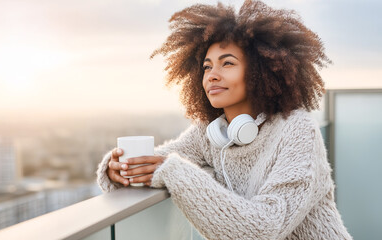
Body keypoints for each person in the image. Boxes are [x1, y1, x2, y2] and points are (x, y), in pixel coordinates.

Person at [97, 1, 352, 239]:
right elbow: (155, 162)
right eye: (207, 67)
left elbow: (264, 228)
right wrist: (117, 169)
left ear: (260, 71)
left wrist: (174, 171)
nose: (212, 76)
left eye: (227, 64)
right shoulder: (211, 134)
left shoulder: (297, 130)